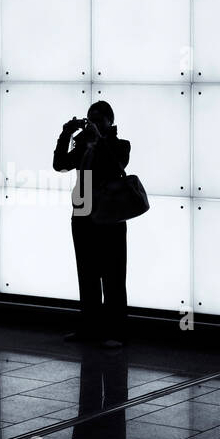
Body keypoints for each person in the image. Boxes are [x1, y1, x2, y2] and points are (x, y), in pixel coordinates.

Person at [52, 100, 131, 348]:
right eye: (90, 119)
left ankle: (116, 332)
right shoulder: (83, 146)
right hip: (83, 213)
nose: (93, 123)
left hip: (109, 215)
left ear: (110, 121)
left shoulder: (120, 145)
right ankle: (90, 328)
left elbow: (115, 166)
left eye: (98, 119)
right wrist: (65, 134)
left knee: (113, 276)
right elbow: (60, 164)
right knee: (86, 274)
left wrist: (100, 140)